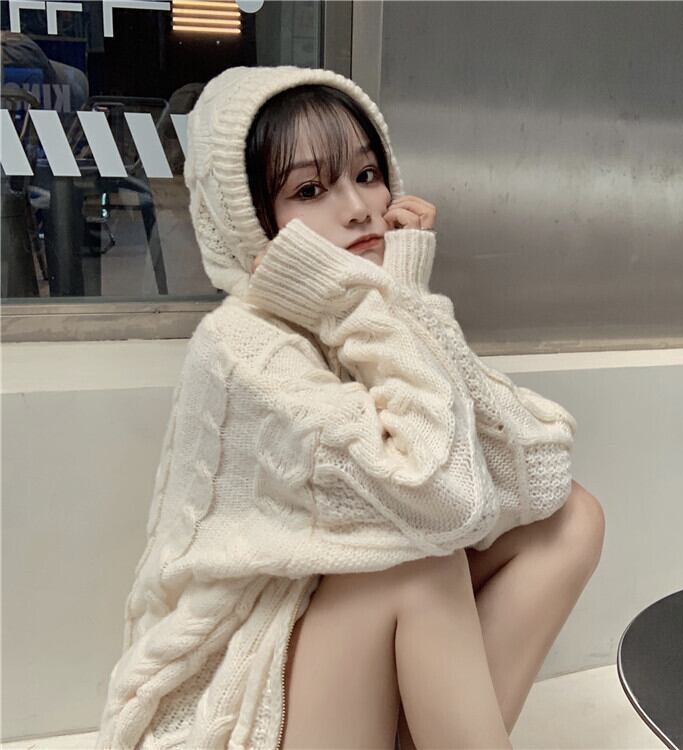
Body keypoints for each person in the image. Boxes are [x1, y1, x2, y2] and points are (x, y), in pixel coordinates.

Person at [95, 66, 601, 750]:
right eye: (310, 190)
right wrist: (377, 304)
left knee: (571, 518)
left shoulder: (365, 309)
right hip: (251, 669)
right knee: (418, 560)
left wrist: (404, 299)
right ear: (253, 223)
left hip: (334, 645)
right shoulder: (242, 345)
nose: (359, 207)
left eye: (367, 175)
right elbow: (440, 496)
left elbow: (532, 468)